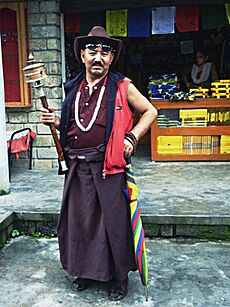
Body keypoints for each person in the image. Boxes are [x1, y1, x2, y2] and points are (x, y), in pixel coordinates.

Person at [40, 26, 157, 301]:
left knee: (113, 225)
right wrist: (56, 122)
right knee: (79, 223)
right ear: (82, 55)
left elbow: (151, 111)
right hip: (77, 169)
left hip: (108, 168)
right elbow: (73, 127)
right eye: (92, 50)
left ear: (111, 58)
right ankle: (85, 271)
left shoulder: (121, 86)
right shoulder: (73, 88)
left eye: (105, 52)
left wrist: (132, 136)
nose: (98, 57)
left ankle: (118, 278)